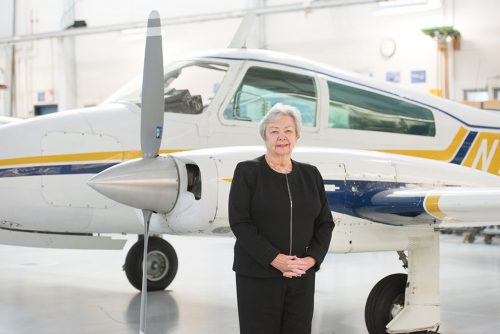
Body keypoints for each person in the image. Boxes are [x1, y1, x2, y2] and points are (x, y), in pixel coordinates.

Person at [228, 103, 335, 334]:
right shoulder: (247, 171)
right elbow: (240, 222)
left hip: (300, 275)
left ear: (296, 135)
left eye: (288, 130)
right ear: (264, 136)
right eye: (274, 131)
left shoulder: (311, 174)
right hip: (258, 276)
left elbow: (325, 223)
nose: (281, 137)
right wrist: (274, 259)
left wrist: (311, 260)